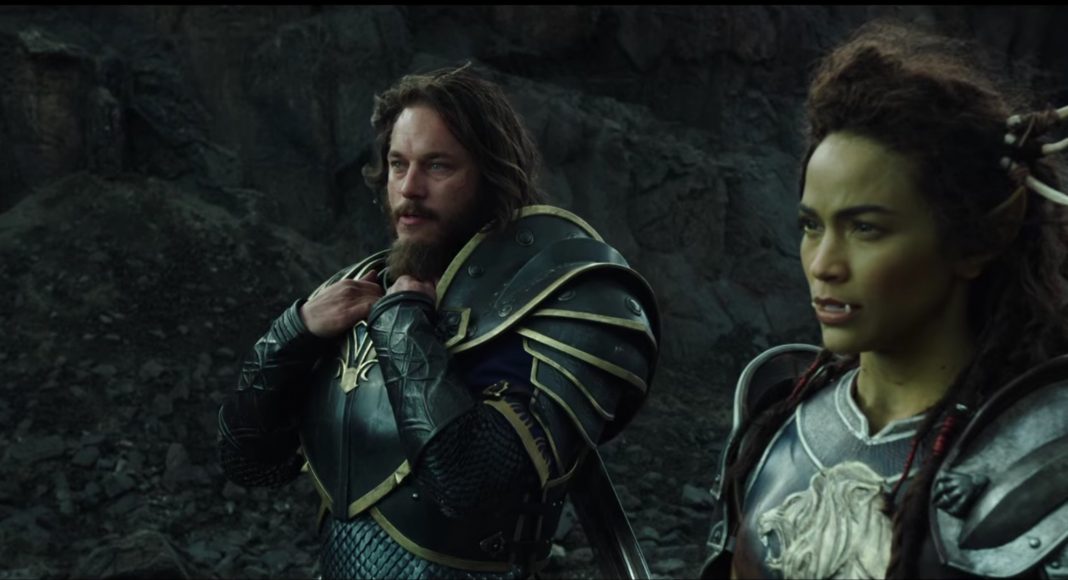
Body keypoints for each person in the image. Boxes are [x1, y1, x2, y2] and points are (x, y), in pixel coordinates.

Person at [216, 64, 660, 579]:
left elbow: (471, 486)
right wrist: (293, 334)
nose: (409, 189)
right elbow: (250, 462)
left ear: (491, 176)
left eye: (438, 166)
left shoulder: (560, 298)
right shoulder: (356, 293)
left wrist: (403, 322)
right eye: (397, 164)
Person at [699, 22, 1068, 579]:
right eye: (811, 226)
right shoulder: (775, 425)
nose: (824, 264)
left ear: (975, 242)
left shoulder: (1042, 457)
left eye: (865, 228)